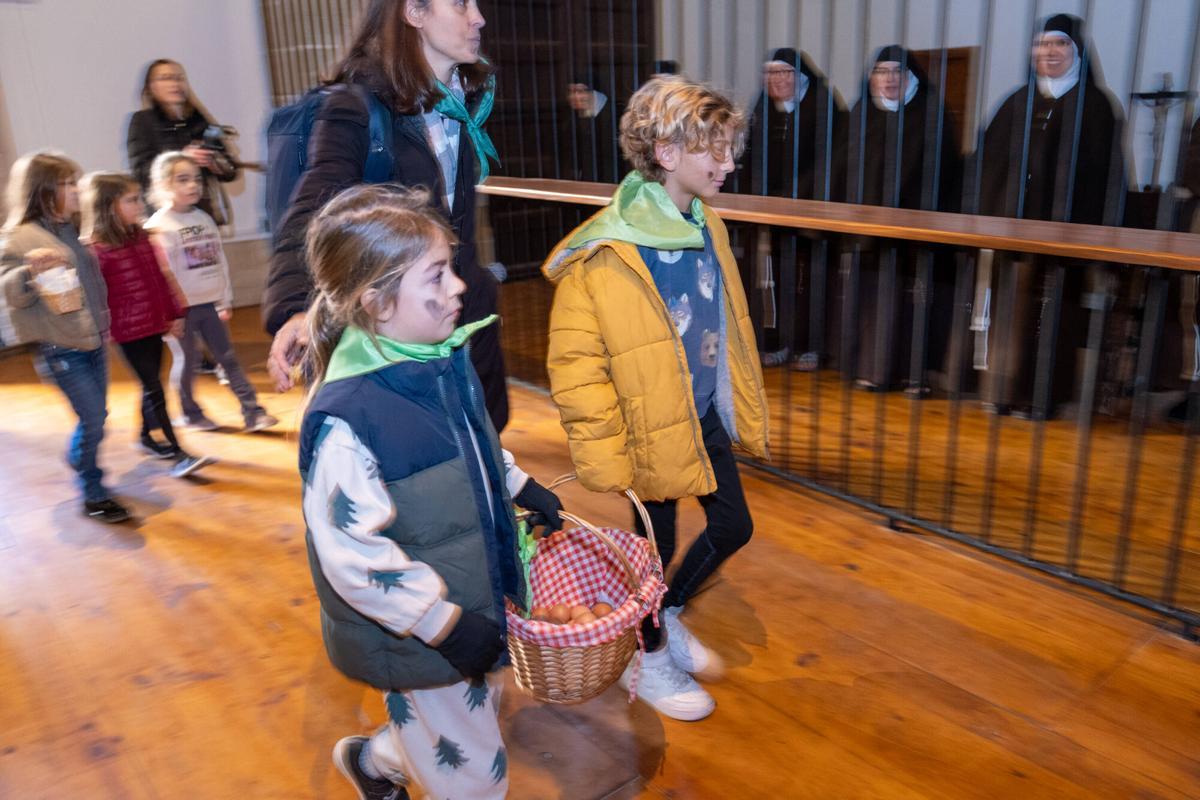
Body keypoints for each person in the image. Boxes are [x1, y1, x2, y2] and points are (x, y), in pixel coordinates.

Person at [297, 184, 563, 799]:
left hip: (473, 597)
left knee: (466, 718)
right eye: (437, 277)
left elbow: (475, 444)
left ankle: (381, 760)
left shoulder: (438, 356)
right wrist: (443, 624)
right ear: (377, 301)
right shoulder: (349, 416)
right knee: (473, 773)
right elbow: (352, 558)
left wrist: (521, 485)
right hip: (423, 629)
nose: (459, 288)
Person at [543, 76, 769, 721]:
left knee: (733, 526)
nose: (729, 164)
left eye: (730, 150)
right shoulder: (608, 251)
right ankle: (646, 650)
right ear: (668, 153)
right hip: (648, 430)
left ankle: (661, 614)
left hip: (699, 415)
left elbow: (727, 327)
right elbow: (578, 368)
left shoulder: (707, 224)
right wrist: (605, 457)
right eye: (715, 152)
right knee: (653, 549)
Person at [264, 0, 510, 432]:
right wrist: (293, 309)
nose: (479, 17)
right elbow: (309, 214)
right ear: (414, 13)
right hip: (395, 337)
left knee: (481, 447)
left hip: (462, 322)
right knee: (418, 467)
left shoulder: (463, 104)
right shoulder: (357, 109)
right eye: (459, 4)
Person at [977, 13, 1126, 417]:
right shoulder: (1016, 101)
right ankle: (1000, 392)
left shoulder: (1097, 106)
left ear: (1076, 52)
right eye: (1043, 44)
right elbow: (988, 164)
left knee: (1054, 317)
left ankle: (1043, 398)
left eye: (1060, 44)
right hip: (1013, 228)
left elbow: (1109, 174)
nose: (1050, 52)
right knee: (1009, 312)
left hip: (1068, 234)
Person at [0, 153, 130, 523]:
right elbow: (8, 290)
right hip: (61, 347)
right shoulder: (19, 238)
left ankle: (79, 456)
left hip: (93, 340)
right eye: (68, 183)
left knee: (98, 416)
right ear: (44, 190)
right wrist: (29, 271)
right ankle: (93, 490)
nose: (77, 190)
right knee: (92, 418)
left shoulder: (71, 229)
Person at [80, 171, 213, 478]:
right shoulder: (96, 251)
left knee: (151, 382)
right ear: (108, 206)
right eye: (131, 199)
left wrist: (175, 314)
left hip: (154, 324)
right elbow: (97, 298)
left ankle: (145, 438)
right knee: (154, 387)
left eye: (138, 197)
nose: (140, 204)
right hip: (128, 333)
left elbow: (160, 280)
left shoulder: (142, 237)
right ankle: (178, 451)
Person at [846, 45, 962, 392]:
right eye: (881, 72)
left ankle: (916, 376)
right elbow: (844, 167)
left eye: (897, 72)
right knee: (874, 300)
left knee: (915, 303)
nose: (889, 79)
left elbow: (944, 173)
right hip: (870, 228)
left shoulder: (932, 114)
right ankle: (873, 371)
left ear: (911, 78)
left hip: (918, 231)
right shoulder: (861, 112)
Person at [146, 152, 277, 432]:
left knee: (226, 357)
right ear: (163, 184)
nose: (193, 185)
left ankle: (252, 411)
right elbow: (158, 277)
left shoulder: (204, 218)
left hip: (209, 304)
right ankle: (190, 414)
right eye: (183, 180)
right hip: (180, 311)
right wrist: (168, 313)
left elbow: (219, 261)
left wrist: (224, 297)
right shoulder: (158, 226)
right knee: (189, 360)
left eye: (196, 179)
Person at [738, 47, 846, 371]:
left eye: (784, 73)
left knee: (814, 281)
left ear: (800, 77)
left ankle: (813, 347)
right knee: (779, 280)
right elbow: (753, 155)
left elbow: (832, 161)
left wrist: (795, 193)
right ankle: (783, 342)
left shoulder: (824, 107)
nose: (777, 81)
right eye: (771, 74)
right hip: (776, 212)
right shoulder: (763, 109)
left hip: (815, 212)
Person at [126, 59, 238, 223]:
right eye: (165, 78)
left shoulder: (197, 119)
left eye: (178, 78)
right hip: (165, 214)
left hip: (201, 212)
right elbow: (140, 171)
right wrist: (182, 157)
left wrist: (217, 163)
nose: (174, 83)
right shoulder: (142, 121)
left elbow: (231, 171)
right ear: (151, 87)